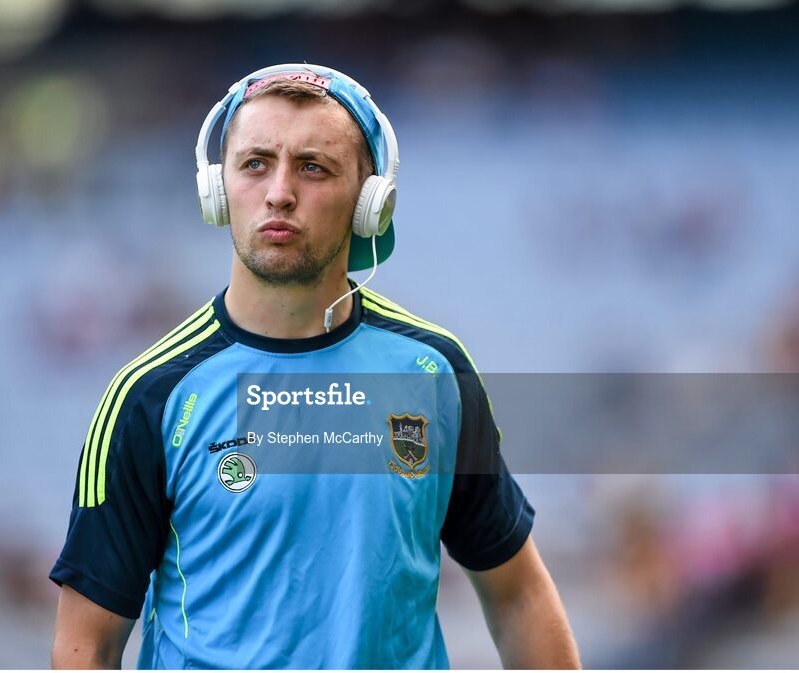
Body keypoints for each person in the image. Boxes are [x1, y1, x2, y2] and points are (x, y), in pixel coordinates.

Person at [49, 63, 580, 669]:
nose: (278, 191)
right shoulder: (149, 395)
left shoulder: (433, 373)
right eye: (254, 164)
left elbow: (517, 596)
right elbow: (86, 645)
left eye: (313, 167)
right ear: (218, 189)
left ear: (369, 202)